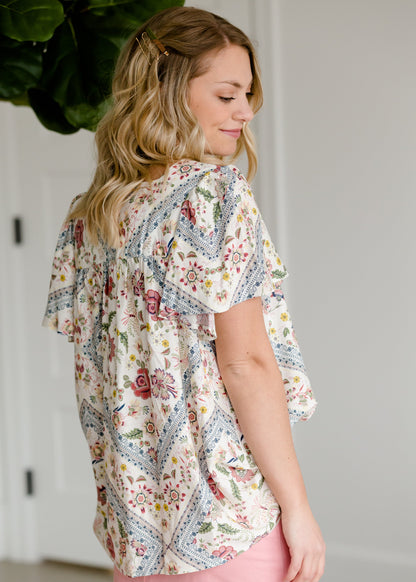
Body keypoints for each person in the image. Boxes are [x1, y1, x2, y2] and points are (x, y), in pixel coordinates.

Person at [43, 6, 325, 582]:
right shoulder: (213, 197)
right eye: (227, 95)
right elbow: (245, 364)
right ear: (166, 92)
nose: (246, 112)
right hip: (224, 522)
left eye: (247, 95)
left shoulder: (90, 217)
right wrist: (297, 508)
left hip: (137, 528)